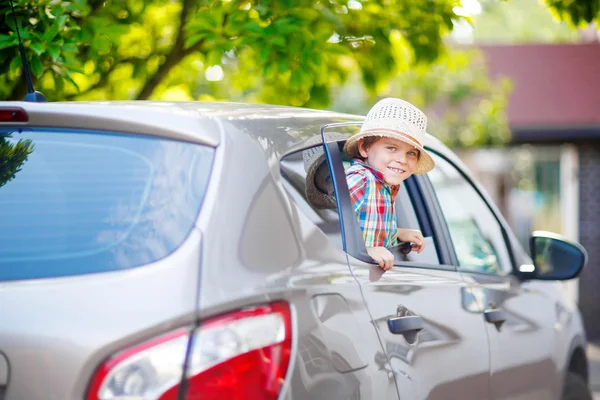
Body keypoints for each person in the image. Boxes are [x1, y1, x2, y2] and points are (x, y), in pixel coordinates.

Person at [343, 98, 436, 270]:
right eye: (391, 148)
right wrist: (366, 251)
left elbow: (367, 228)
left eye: (410, 153)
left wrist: (399, 233)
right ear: (364, 147)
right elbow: (327, 232)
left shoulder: (385, 187)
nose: (401, 159)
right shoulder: (360, 180)